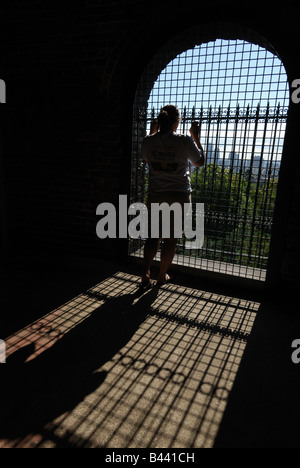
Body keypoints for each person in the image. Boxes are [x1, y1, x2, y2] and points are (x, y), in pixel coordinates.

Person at [140, 104, 205, 288]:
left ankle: (145, 274)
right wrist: (196, 137)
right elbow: (199, 161)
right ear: (177, 123)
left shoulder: (148, 141)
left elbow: (145, 159)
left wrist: (152, 133)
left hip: (155, 193)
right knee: (170, 238)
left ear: (159, 122)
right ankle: (161, 275)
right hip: (179, 195)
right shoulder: (184, 140)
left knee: (153, 237)